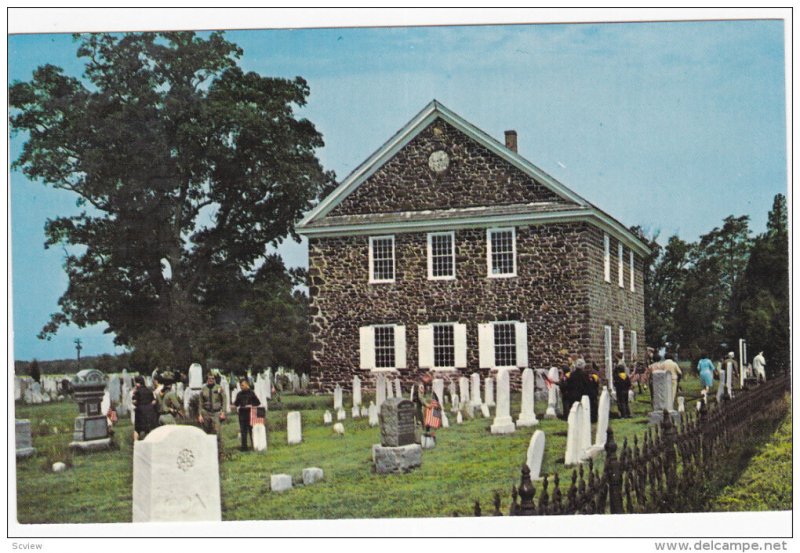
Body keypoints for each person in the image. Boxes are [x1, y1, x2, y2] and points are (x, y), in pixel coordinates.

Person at [233, 378, 261, 451]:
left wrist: (251, 405)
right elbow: (236, 403)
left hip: (250, 414)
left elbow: (258, 402)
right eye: (240, 386)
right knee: (243, 431)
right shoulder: (239, 394)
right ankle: (244, 447)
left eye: (242, 385)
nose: (241, 387)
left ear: (247, 384)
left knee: (252, 430)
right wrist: (233, 406)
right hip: (242, 414)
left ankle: (254, 445)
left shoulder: (251, 393)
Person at [199, 372, 227, 437]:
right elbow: (200, 402)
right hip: (206, 412)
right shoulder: (203, 389)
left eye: (212, 378)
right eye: (209, 378)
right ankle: (208, 446)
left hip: (216, 413)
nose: (211, 380)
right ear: (207, 379)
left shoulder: (219, 388)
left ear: (215, 379)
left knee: (217, 432)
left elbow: (224, 400)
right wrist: (200, 415)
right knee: (206, 433)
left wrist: (223, 412)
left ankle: (219, 446)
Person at [132, 376, 158, 440]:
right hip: (150, 411)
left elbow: (134, 402)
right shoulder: (149, 390)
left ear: (137, 383)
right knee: (149, 428)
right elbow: (154, 401)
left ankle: (136, 443)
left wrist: (133, 395)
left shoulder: (137, 392)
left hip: (140, 411)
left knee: (137, 429)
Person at [613, 353, 632, 418]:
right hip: (626, 390)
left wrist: (615, 385)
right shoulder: (626, 376)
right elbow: (629, 383)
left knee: (621, 402)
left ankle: (624, 414)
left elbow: (616, 384)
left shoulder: (618, 376)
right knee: (626, 402)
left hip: (620, 391)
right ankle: (628, 413)